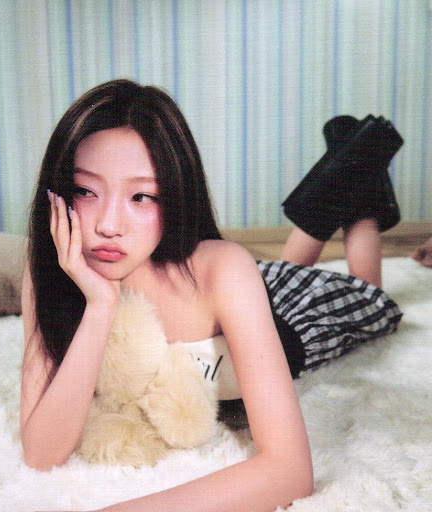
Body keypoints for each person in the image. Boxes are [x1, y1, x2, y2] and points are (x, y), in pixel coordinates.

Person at [20, 79, 402, 512]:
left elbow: (291, 471)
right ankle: (346, 165)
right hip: (239, 288)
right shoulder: (49, 268)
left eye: (141, 196)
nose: (109, 225)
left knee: (369, 294)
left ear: (175, 195)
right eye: (86, 191)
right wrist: (100, 305)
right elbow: (41, 453)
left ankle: (360, 175)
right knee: (273, 270)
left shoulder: (223, 268)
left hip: (286, 321)